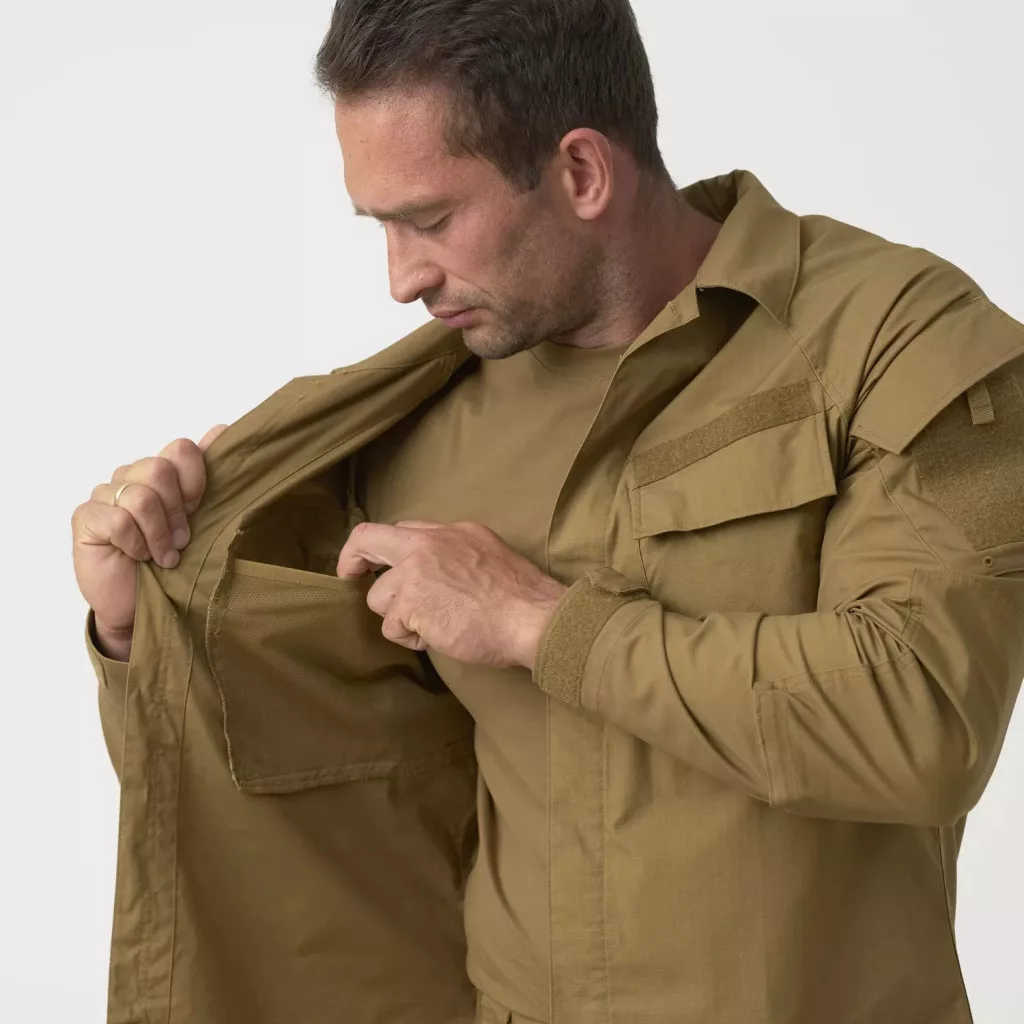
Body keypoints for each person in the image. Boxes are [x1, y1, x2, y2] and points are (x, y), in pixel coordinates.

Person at [72, 2, 1024, 1022]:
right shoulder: (406, 425)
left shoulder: (900, 340)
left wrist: (539, 622)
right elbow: (286, 766)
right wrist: (138, 619)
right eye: (379, 225)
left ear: (581, 171)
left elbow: (920, 720)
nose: (400, 278)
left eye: (430, 220)